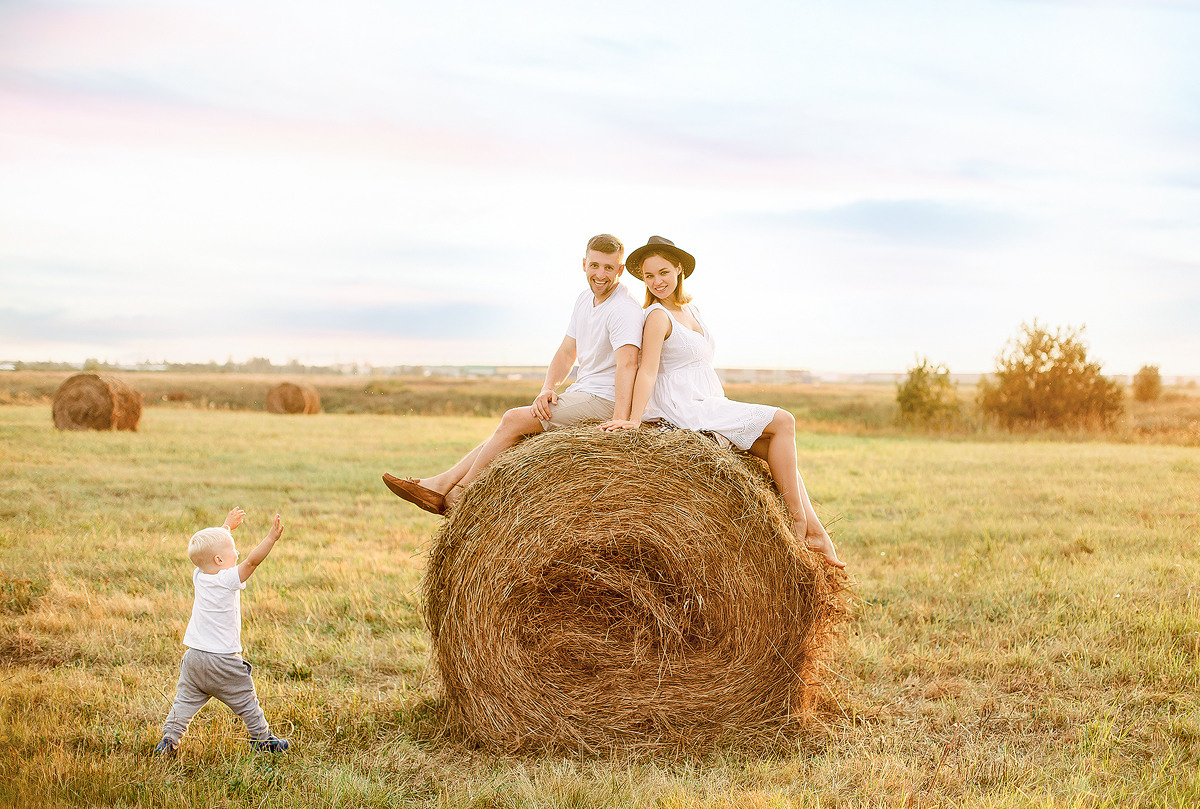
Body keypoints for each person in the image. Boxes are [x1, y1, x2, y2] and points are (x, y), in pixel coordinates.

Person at [600, 236, 846, 569]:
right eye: (648, 276)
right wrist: (633, 418)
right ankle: (799, 525)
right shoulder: (656, 317)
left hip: (709, 400)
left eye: (663, 272)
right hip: (686, 407)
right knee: (784, 421)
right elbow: (647, 372)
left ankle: (817, 534)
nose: (656, 281)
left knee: (776, 450)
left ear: (678, 271)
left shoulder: (691, 309)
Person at [384, 234, 644, 514]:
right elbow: (568, 351)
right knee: (511, 431)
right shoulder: (584, 300)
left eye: (608, 268)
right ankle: (439, 485)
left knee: (513, 418)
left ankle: (460, 496)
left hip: (604, 398)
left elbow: (628, 365)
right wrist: (547, 388)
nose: (600, 274)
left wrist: (620, 421)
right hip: (584, 392)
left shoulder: (623, 309)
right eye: (595, 265)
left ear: (620, 270)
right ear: (584, 264)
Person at [155, 507, 290, 755]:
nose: (236, 552)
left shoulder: (199, 575)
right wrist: (270, 538)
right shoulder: (227, 579)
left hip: (194, 658)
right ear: (219, 560)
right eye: (232, 550)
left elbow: (210, 551)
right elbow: (251, 561)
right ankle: (263, 739)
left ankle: (169, 740)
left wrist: (226, 527)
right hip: (222, 660)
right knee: (247, 701)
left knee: (183, 702)